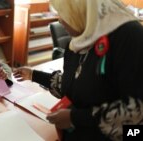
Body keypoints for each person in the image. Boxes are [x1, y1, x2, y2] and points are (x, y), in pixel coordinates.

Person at [13, 0, 143, 141]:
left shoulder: (129, 36)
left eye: (64, 13)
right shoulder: (78, 43)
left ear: (82, 10)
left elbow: (136, 116)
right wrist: (33, 75)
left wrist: (75, 118)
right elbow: (75, 85)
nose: (60, 20)